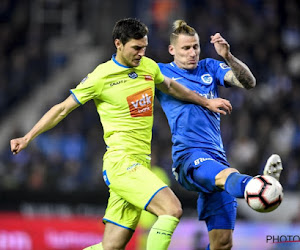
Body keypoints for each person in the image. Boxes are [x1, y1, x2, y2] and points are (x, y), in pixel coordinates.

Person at [10, 18, 232, 250]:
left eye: (144, 47)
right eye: (136, 48)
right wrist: (27, 137)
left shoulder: (149, 67)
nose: (141, 53)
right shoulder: (101, 76)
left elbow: (172, 87)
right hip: (121, 163)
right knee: (172, 208)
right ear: (118, 44)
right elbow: (62, 108)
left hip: (140, 164)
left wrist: (206, 102)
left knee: (112, 247)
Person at [156, 20, 284, 250]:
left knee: (222, 245)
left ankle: (254, 185)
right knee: (229, 176)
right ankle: (257, 184)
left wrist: (228, 56)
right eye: (186, 48)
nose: (193, 52)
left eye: (195, 46)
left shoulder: (209, 67)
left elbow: (249, 83)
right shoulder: (160, 72)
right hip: (189, 158)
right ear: (172, 49)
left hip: (217, 158)